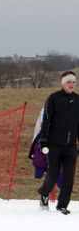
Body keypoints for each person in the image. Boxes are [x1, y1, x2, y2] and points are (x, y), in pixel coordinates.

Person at [37, 70, 79, 215]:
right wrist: (43, 140)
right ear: (63, 83)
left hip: (71, 146)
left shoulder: (78, 100)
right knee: (53, 174)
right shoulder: (53, 98)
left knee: (69, 176)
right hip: (54, 144)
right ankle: (44, 194)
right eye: (69, 82)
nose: (71, 84)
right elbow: (46, 121)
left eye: (73, 82)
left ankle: (62, 205)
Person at [28, 108, 63, 205]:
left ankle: (62, 203)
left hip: (64, 147)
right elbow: (39, 131)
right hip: (47, 146)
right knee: (53, 173)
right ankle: (44, 196)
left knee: (63, 174)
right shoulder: (46, 110)